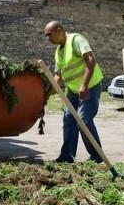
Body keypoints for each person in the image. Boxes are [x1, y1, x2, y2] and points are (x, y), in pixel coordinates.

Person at [43, 21, 104, 163]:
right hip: (73, 90)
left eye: (49, 35)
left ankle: (97, 157)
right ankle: (67, 156)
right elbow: (58, 76)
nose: (48, 39)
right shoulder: (59, 51)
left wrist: (84, 85)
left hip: (90, 86)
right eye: (46, 36)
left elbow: (90, 60)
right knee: (69, 119)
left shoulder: (76, 40)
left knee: (84, 120)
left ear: (59, 30)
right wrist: (46, 95)